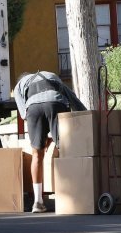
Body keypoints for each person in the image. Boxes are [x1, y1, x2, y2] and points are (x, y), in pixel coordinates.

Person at [14, 71, 86, 213]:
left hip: (33, 108)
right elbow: (71, 97)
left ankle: (38, 202)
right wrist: (86, 114)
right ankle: (71, 197)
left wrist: (39, 140)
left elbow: (23, 113)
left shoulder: (19, 86)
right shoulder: (52, 75)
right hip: (56, 103)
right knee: (64, 149)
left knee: (37, 154)